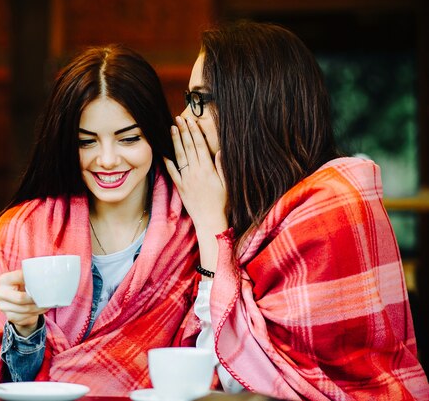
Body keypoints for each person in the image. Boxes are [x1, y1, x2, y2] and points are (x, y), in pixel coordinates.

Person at [166, 20, 429, 400]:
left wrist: (211, 225)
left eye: (198, 101)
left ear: (249, 105)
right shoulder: (246, 205)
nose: (185, 120)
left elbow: (244, 380)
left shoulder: (331, 209)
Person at [0, 45, 200, 396]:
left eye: (128, 139)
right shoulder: (19, 231)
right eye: (86, 142)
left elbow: (217, 357)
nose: (108, 159)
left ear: (154, 135)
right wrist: (24, 330)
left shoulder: (194, 232)